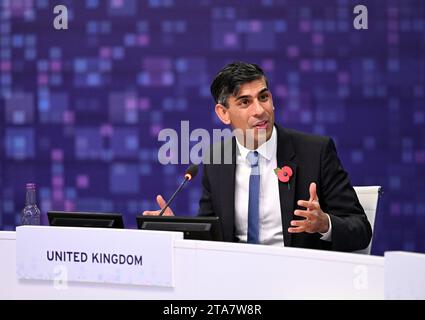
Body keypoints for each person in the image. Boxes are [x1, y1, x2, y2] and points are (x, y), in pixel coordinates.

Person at [143, 61, 372, 252]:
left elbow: (361, 230)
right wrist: (179, 232)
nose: (260, 111)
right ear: (223, 113)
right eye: (245, 102)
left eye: (263, 97)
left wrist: (325, 224)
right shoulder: (216, 159)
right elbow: (211, 239)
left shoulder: (316, 152)